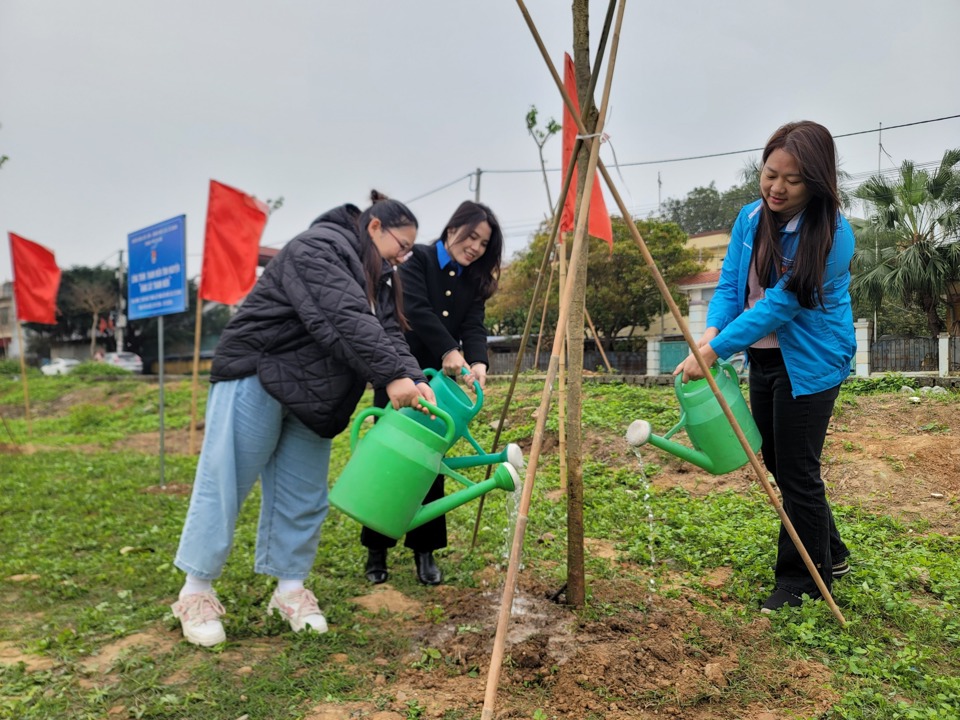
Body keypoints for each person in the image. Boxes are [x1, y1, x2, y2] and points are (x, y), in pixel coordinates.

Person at [171, 192, 436, 647]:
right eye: (401, 245)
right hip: (258, 372)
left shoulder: (382, 278)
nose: (403, 257)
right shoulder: (318, 247)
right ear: (374, 227)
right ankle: (195, 591)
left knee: (304, 493)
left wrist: (412, 375)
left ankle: (289, 588)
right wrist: (392, 375)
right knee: (225, 480)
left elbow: (389, 330)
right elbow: (343, 316)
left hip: (316, 394)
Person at [674, 121, 854, 613]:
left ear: (815, 181)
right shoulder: (750, 218)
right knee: (776, 459)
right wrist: (712, 331)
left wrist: (714, 351)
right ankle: (830, 552)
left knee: (796, 470)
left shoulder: (835, 235)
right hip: (765, 357)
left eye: (791, 180)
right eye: (769, 174)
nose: (776, 188)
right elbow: (732, 287)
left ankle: (803, 582)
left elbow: (780, 306)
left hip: (811, 362)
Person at [361, 200, 504, 586]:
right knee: (390, 460)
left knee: (430, 464)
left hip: (440, 386)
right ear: (453, 227)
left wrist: (478, 362)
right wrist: (449, 350)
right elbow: (418, 310)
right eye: (471, 235)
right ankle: (377, 550)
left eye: (483, 243)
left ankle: (424, 553)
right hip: (398, 374)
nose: (474, 247)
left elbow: (474, 324)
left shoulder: (473, 280)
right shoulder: (417, 259)